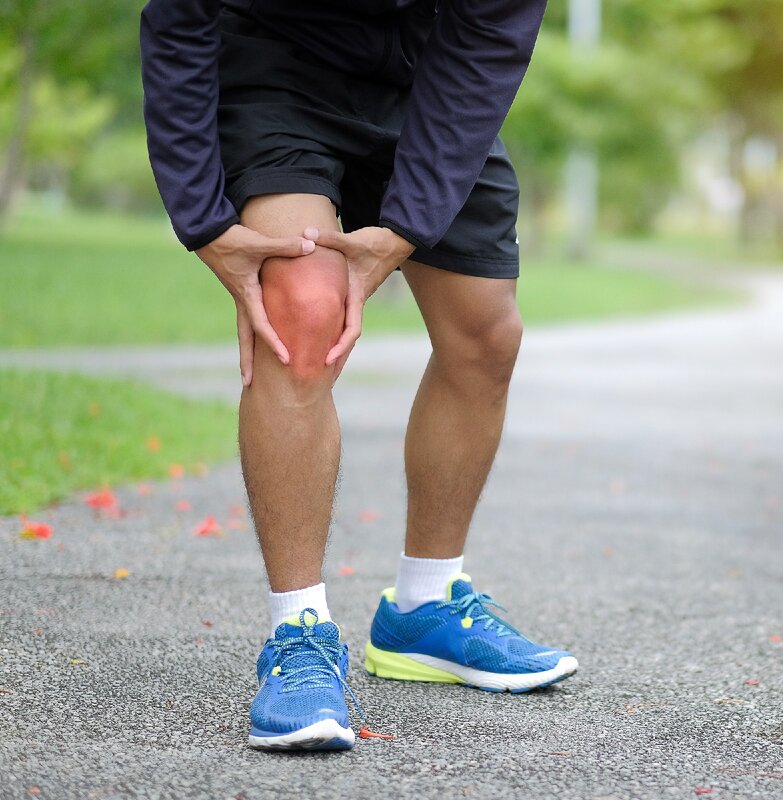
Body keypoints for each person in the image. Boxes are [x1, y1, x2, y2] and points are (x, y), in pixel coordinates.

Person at [140, 0, 576, 751]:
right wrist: (202, 221)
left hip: (432, 76)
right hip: (281, 62)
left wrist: (406, 226)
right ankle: (299, 636)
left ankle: (424, 608)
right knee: (304, 310)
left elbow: (489, 36)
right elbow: (178, 18)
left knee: (486, 333)